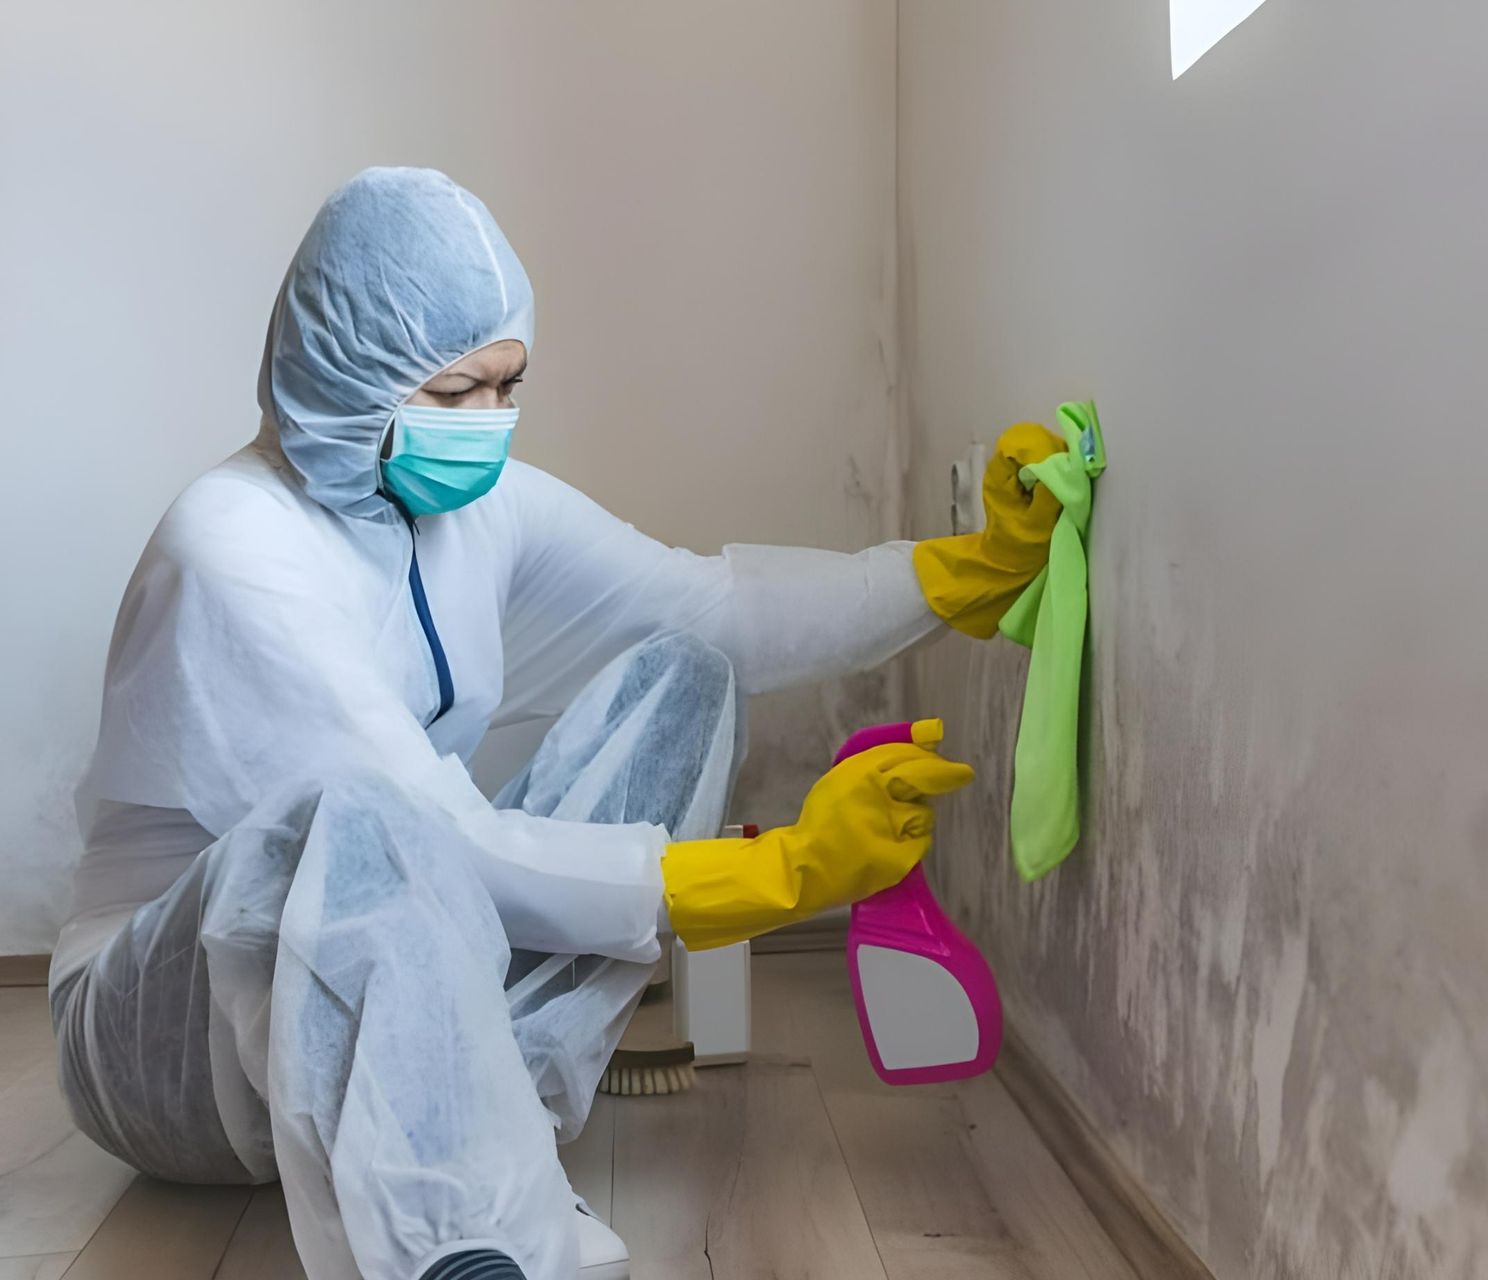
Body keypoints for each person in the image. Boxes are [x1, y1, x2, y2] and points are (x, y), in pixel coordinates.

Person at [48, 168, 1064, 1280]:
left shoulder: (471, 505)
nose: (488, 423)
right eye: (452, 392)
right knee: (369, 815)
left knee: (687, 676)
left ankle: (480, 1119)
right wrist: (772, 872)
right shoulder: (233, 547)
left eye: (508, 384)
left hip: (389, 968)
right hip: (170, 1052)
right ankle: (475, 1240)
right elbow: (440, 835)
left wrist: (962, 571)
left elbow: (711, 605)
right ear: (347, 372)